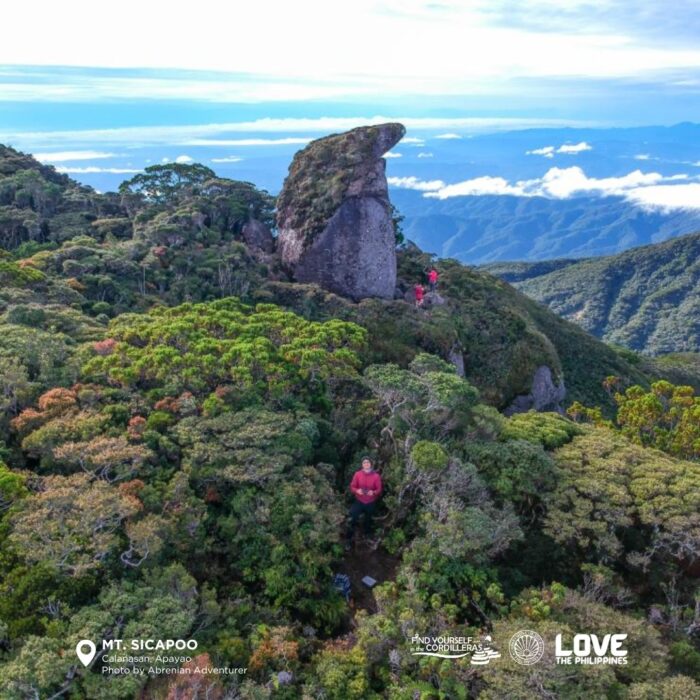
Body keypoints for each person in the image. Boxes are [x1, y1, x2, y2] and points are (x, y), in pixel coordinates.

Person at [346, 456, 383, 549]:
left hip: (370, 501)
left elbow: (379, 489)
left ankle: (367, 535)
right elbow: (352, 486)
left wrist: (373, 492)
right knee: (352, 518)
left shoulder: (376, 476)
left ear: (371, 464)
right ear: (362, 464)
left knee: (368, 520)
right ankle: (349, 539)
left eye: (368, 462)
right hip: (359, 500)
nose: (366, 464)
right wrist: (357, 491)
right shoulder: (357, 474)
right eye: (364, 462)